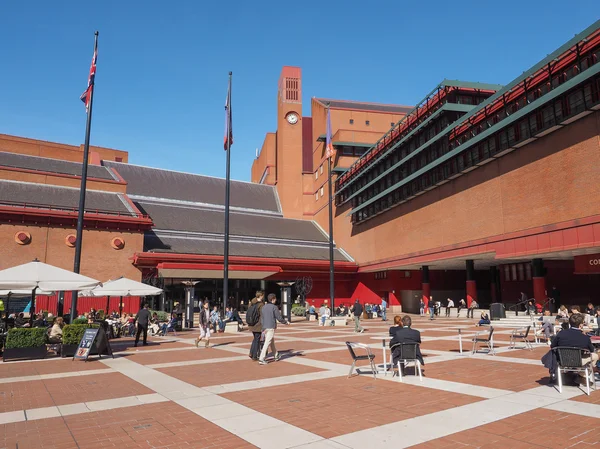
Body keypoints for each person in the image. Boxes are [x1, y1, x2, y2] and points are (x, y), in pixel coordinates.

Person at [551, 313, 599, 380]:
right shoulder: (585, 338)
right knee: (595, 356)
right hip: (578, 361)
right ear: (581, 325)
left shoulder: (561, 333)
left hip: (562, 360)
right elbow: (591, 350)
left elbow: (553, 346)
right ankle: (583, 375)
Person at [258, 293, 290, 365]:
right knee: (267, 343)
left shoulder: (264, 307)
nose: (275, 300)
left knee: (271, 342)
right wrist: (285, 322)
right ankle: (261, 358)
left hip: (265, 327)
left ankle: (276, 355)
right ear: (272, 299)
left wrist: (263, 327)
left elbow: (262, 318)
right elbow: (279, 317)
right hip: (271, 327)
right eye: (275, 299)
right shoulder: (274, 307)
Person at [247, 290, 265, 361]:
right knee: (257, 340)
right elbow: (262, 315)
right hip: (258, 325)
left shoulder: (251, 302)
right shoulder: (261, 304)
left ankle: (251, 352)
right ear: (261, 296)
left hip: (251, 324)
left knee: (255, 338)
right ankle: (254, 355)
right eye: (263, 295)